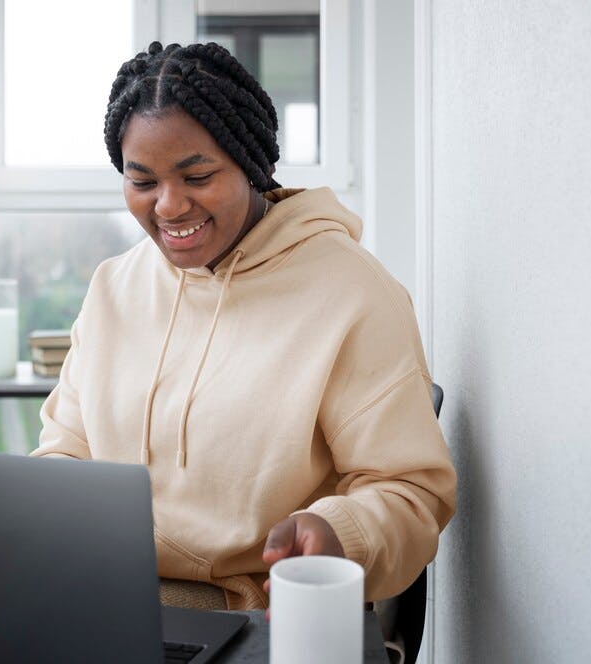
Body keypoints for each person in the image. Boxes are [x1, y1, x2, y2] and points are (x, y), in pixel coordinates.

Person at [30, 41, 456, 612]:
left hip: (257, 614)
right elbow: (65, 453)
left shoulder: (351, 293)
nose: (169, 206)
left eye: (198, 175)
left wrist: (339, 534)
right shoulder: (114, 288)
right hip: (109, 600)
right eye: (143, 182)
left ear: (253, 164)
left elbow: (411, 493)